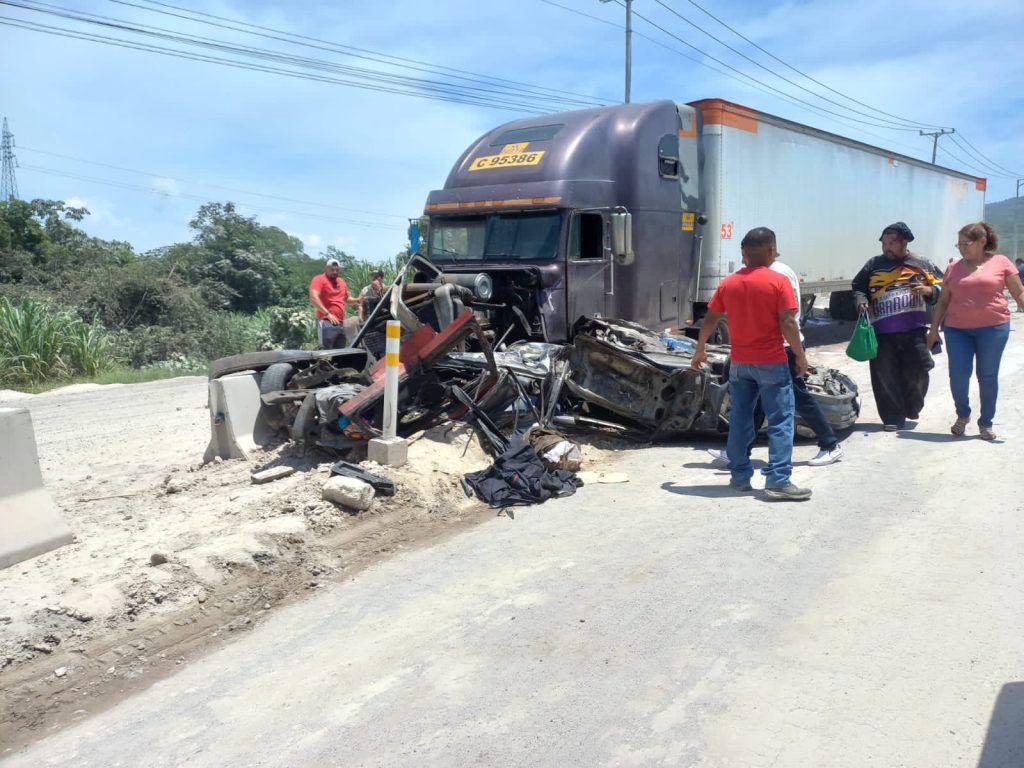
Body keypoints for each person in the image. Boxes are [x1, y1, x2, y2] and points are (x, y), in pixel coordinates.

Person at [692, 227, 811, 501]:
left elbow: (710, 318)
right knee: (780, 420)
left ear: (744, 252)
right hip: (771, 361)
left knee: (740, 418)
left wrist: (699, 349)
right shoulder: (778, 281)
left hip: (740, 363)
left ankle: (740, 476)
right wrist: (801, 355)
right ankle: (779, 480)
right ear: (771, 251)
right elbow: (788, 322)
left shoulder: (728, 283)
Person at [708, 253, 845, 467]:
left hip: (782, 347)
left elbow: (788, 318)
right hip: (771, 349)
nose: (744, 261)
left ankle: (830, 445)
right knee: (757, 403)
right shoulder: (768, 273)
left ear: (767, 251)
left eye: (747, 255)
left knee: (799, 398)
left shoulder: (779, 273)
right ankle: (740, 451)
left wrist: (799, 354)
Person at [926, 222, 1024, 440]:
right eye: (958, 244)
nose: (961, 248)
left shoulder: (1001, 262)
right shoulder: (953, 267)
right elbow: (943, 301)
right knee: (958, 376)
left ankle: (986, 422)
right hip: (957, 330)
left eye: (966, 243)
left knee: (987, 376)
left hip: (993, 329)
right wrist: (933, 330)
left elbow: (1019, 294)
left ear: (982, 242)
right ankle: (963, 415)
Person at [851, 222, 943, 431]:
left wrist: (929, 291)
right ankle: (892, 417)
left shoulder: (922, 263)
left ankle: (912, 405)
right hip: (881, 332)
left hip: (915, 330)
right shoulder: (873, 264)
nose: (886, 247)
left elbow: (944, 284)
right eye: (884, 243)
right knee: (885, 376)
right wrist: (860, 301)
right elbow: (858, 287)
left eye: (892, 242)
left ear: (905, 242)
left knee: (919, 370)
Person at [309, 258, 362, 349]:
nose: (335, 272)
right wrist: (328, 314)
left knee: (339, 353)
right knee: (326, 353)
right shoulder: (319, 279)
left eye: (337, 270)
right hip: (326, 321)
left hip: (341, 323)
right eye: (332, 269)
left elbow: (347, 298)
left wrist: (357, 300)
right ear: (326, 269)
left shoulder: (341, 281)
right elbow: (313, 298)